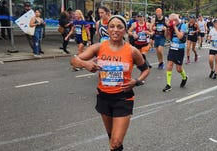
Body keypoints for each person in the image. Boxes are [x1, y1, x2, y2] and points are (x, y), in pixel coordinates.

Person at [70, 15, 150, 151]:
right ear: (107, 29)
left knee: (116, 141)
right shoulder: (99, 47)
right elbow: (74, 60)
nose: (115, 30)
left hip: (123, 98)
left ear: (125, 30)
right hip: (104, 97)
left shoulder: (132, 50)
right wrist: (85, 64)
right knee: (112, 138)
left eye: (120, 27)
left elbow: (145, 70)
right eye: (112, 26)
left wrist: (136, 81)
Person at [162, 13, 188, 92]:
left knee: (178, 69)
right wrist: (167, 30)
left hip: (180, 49)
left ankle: (184, 77)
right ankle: (168, 84)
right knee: (169, 64)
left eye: (171, 21)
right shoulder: (171, 26)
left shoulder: (183, 25)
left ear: (176, 20)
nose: (170, 22)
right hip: (172, 47)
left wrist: (174, 27)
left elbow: (180, 36)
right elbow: (168, 37)